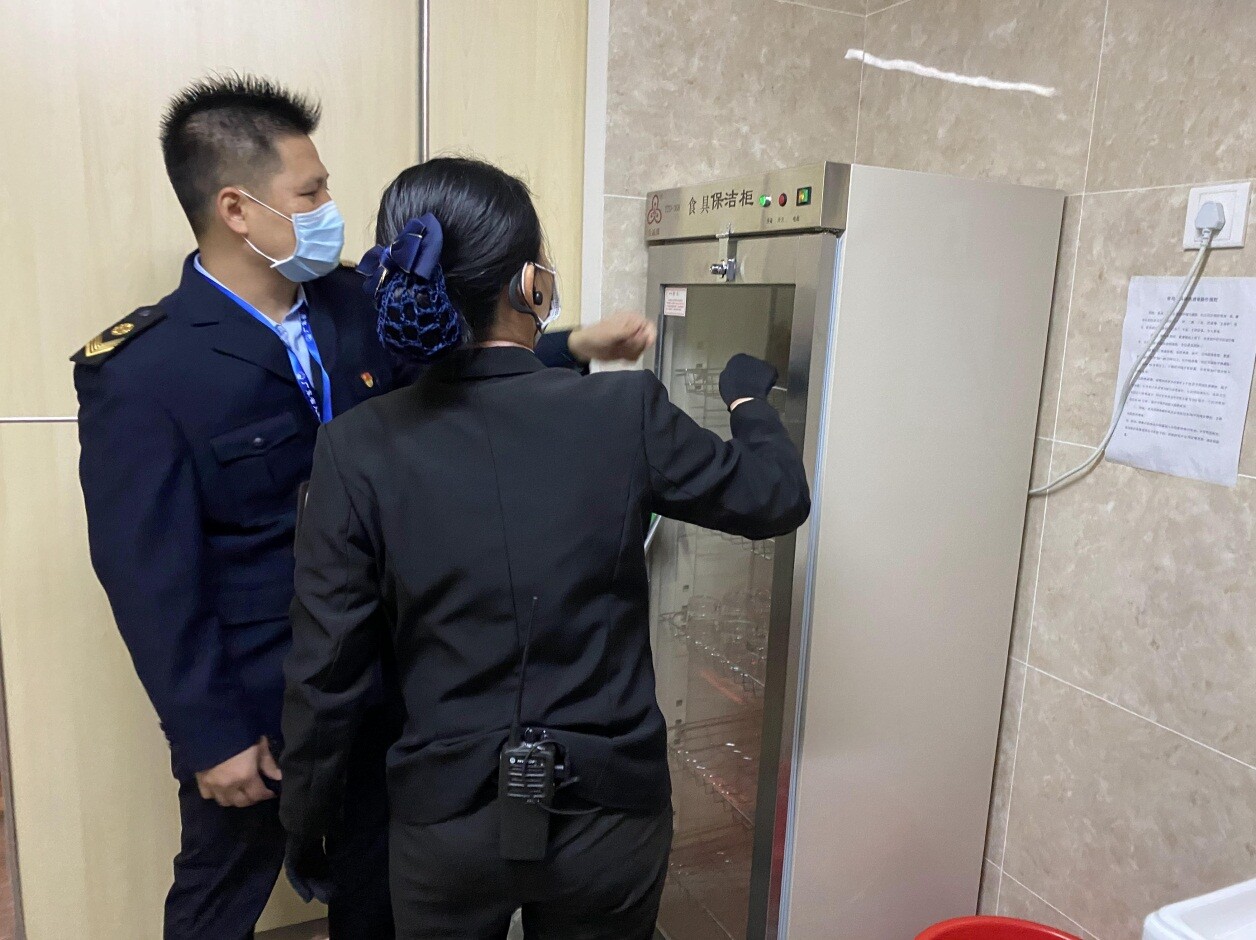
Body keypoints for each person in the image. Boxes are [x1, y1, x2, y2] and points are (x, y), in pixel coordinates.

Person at [72, 76, 653, 940]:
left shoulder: (358, 306)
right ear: (237, 208)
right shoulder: (144, 372)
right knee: (219, 895)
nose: (329, 210)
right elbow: (147, 575)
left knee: (378, 893)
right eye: (310, 194)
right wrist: (208, 734)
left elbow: (455, 378)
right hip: (262, 703)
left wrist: (572, 345)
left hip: (394, 682)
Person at [280, 156, 811, 939]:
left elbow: (326, 670)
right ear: (531, 285)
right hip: (610, 815)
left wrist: (306, 818)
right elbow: (775, 498)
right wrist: (746, 401)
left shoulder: (356, 448)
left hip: (444, 822)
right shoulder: (623, 411)